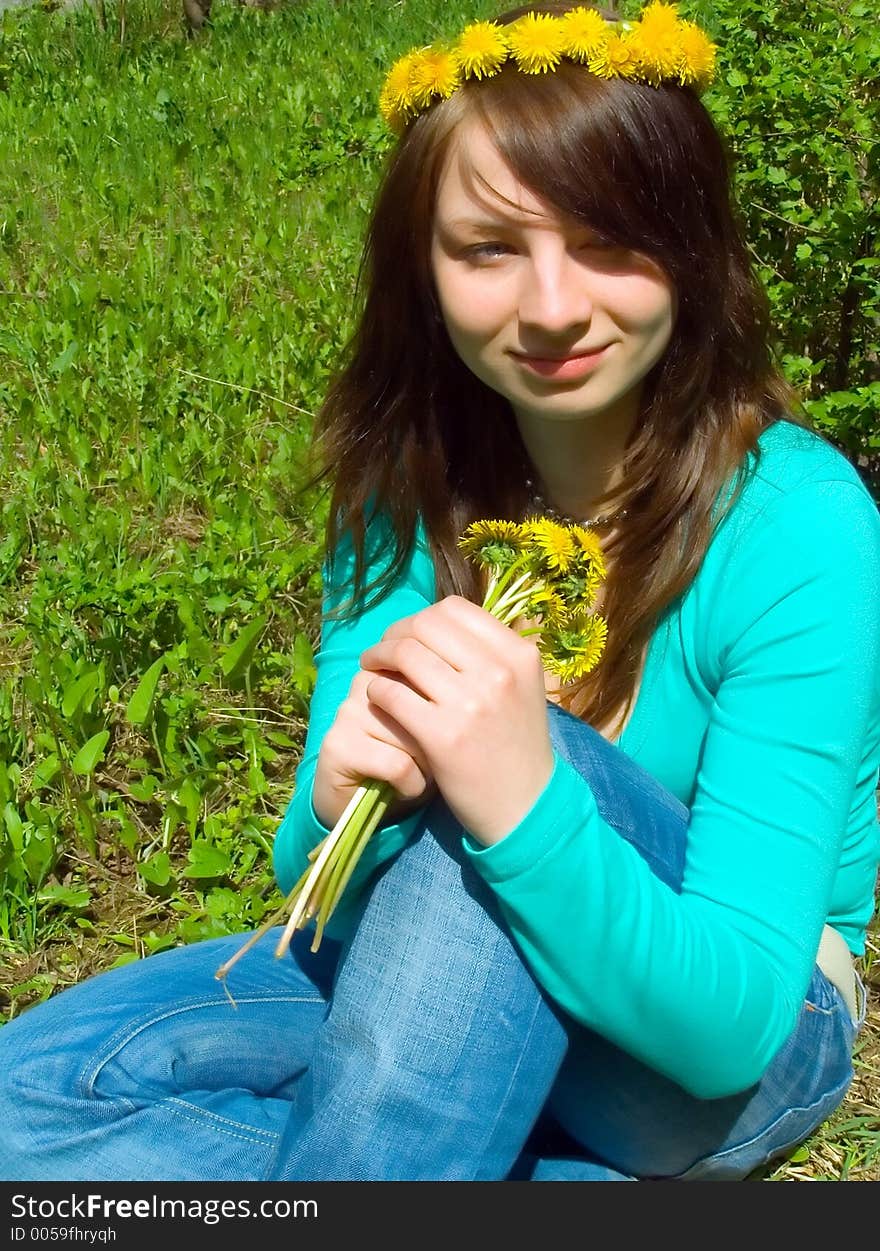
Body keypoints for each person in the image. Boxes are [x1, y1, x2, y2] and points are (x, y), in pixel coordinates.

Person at [0, 1, 877, 1183]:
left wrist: (517, 794)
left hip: (726, 1043)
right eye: (489, 248)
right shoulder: (404, 494)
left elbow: (725, 1030)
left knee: (502, 784)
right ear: (423, 268)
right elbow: (330, 895)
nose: (555, 306)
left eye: (609, 241)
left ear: (692, 247)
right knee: (34, 1102)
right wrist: (330, 803)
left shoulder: (797, 524)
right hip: (442, 962)